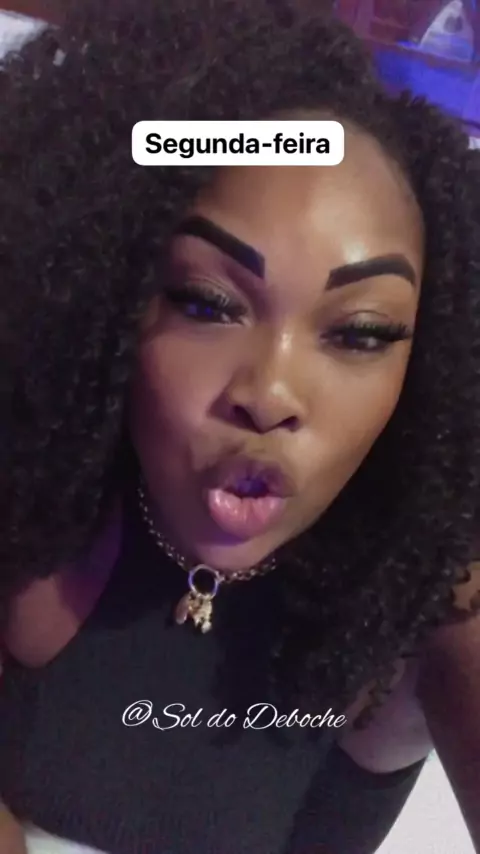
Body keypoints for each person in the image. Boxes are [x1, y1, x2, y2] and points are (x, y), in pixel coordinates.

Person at [1, 0, 480, 852]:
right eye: (206, 303)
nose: (270, 392)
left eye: (362, 332)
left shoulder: (430, 584)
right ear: (105, 290)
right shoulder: (30, 505)